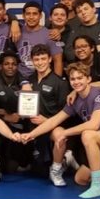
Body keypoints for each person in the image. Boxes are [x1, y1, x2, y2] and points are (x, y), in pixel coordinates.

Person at [21, 63, 100, 198]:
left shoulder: (98, 94)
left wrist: (65, 133)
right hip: (94, 144)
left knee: (88, 134)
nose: (76, 82)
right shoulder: (75, 99)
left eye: (80, 78)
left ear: (88, 79)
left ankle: (97, 185)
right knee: (80, 179)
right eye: (73, 79)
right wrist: (31, 134)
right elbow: (54, 120)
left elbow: (95, 124)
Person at [21, 44, 69, 172]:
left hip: (52, 125)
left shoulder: (60, 83)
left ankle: (57, 167)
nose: (40, 62)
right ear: (32, 61)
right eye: (36, 59)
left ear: (49, 59)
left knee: (60, 136)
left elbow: (65, 113)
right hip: (31, 126)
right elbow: (23, 107)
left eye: (43, 59)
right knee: (36, 169)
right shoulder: (27, 81)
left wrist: (46, 120)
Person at [0, 51, 31, 175]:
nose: (10, 67)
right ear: (1, 66)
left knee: (11, 169)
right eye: (6, 64)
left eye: (14, 64)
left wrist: (18, 116)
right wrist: (6, 116)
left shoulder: (23, 81)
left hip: (19, 123)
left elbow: (30, 109)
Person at [16, 1, 63, 77]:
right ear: (23, 16)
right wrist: (14, 23)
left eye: (35, 14)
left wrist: (57, 83)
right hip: (21, 79)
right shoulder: (17, 32)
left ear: (40, 16)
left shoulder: (50, 34)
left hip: (42, 79)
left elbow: (58, 61)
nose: (31, 17)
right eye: (28, 14)